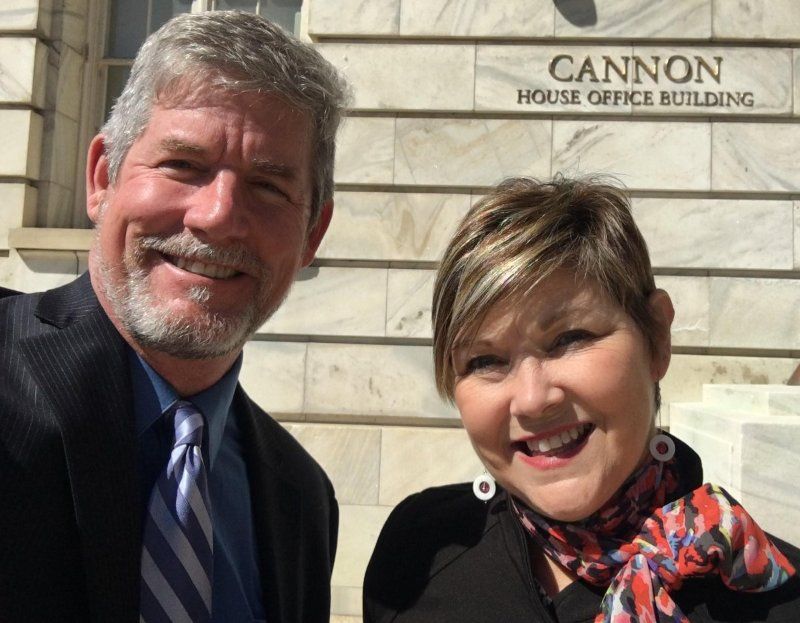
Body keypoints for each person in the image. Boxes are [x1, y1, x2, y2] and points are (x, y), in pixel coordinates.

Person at [0, 11, 347, 623]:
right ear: (102, 177)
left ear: (312, 235)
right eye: (182, 166)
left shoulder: (303, 500)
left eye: (268, 187)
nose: (217, 216)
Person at [363, 177, 800, 622]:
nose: (532, 400)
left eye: (570, 338)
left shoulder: (775, 596)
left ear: (657, 338)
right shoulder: (417, 554)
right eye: (485, 360)